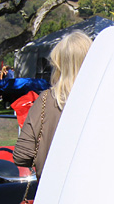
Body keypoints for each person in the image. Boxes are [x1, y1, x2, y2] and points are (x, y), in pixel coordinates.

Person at [13, 31, 92, 178]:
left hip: (51, 192)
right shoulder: (102, 100)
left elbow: (21, 155)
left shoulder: (45, 100)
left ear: (58, 64)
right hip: (94, 192)